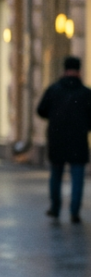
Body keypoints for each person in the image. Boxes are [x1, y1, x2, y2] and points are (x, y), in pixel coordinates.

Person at [36, 56, 91, 223]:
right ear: (79, 71)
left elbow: (41, 110)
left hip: (57, 138)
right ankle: (74, 211)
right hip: (78, 140)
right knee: (77, 176)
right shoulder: (86, 93)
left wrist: (55, 118)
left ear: (64, 70)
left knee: (56, 174)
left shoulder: (54, 90)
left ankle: (55, 207)